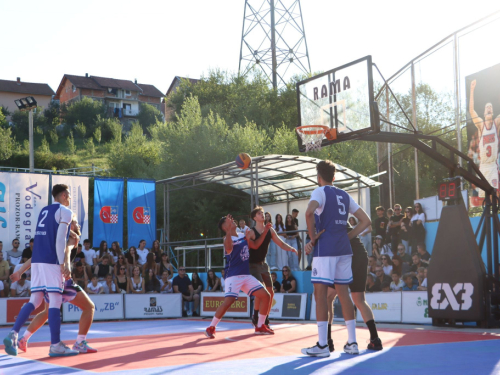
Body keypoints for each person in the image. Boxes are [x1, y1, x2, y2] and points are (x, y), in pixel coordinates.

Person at [301, 160, 371, 357]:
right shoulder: (344, 194)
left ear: (319, 177)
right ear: (334, 177)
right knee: (344, 294)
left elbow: (308, 213)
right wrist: (348, 236)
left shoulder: (319, 192)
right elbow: (366, 221)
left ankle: (323, 345)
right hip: (344, 250)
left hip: (326, 249)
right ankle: (352, 342)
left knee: (320, 294)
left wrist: (313, 237)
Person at [3, 184, 79, 357]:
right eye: (68, 195)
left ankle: (13, 334)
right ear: (64, 195)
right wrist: (62, 263)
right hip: (51, 261)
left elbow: (43, 240)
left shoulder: (44, 211)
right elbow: (59, 240)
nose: (69, 198)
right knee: (55, 300)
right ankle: (55, 345)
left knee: (35, 300)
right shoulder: (65, 212)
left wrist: (22, 270)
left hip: (37, 261)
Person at [8, 217, 97, 355]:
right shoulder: (69, 238)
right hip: (61, 279)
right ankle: (79, 342)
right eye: (75, 221)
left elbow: (36, 257)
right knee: (89, 307)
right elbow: (67, 250)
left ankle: (23, 338)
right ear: (68, 224)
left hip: (49, 279)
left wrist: (20, 271)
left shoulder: (59, 236)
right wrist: (67, 265)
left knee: (46, 312)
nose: (77, 224)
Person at [314, 225, 382, 354]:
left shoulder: (325, 218)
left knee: (328, 296)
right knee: (359, 299)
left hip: (344, 254)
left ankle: (328, 340)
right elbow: (365, 222)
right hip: (360, 254)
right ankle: (375, 338)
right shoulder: (340, 215)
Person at [205, 214, 273, 339]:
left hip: (246, 275)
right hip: (233, 276)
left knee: (266, 296)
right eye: (229, 221)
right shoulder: (227, 239)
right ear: (225, 227)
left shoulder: (243, 235)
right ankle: (211, 327)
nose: (233, 220)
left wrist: (266, 232)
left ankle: (260, 325)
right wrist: (229, 231)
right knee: (228, 302)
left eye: (232, 219)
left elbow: (256, 245)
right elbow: (229, 248)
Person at [246, 206, 298, 330]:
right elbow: (246, 248)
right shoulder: (252, 232)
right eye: (259, 213)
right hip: (252, 265)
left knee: (270, 292)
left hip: (264, 264)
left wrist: (291, 248)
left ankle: (263, 318)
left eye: (263, 213)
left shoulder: (270, 230)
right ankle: (257, 316)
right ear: (254, 218)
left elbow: (280, 243)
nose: (262, 215)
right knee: (261, 292)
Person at [469, 79, 500, 196]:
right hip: (483, 167)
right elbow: (471, 111)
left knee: (494, 197)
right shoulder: (481, 125)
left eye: (491, 107)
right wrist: (471, 90)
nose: (489, 108)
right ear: (483, 112)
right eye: (487, 107)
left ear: (492, 111)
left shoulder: (496, 124)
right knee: (483, 198)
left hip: (492, 166)